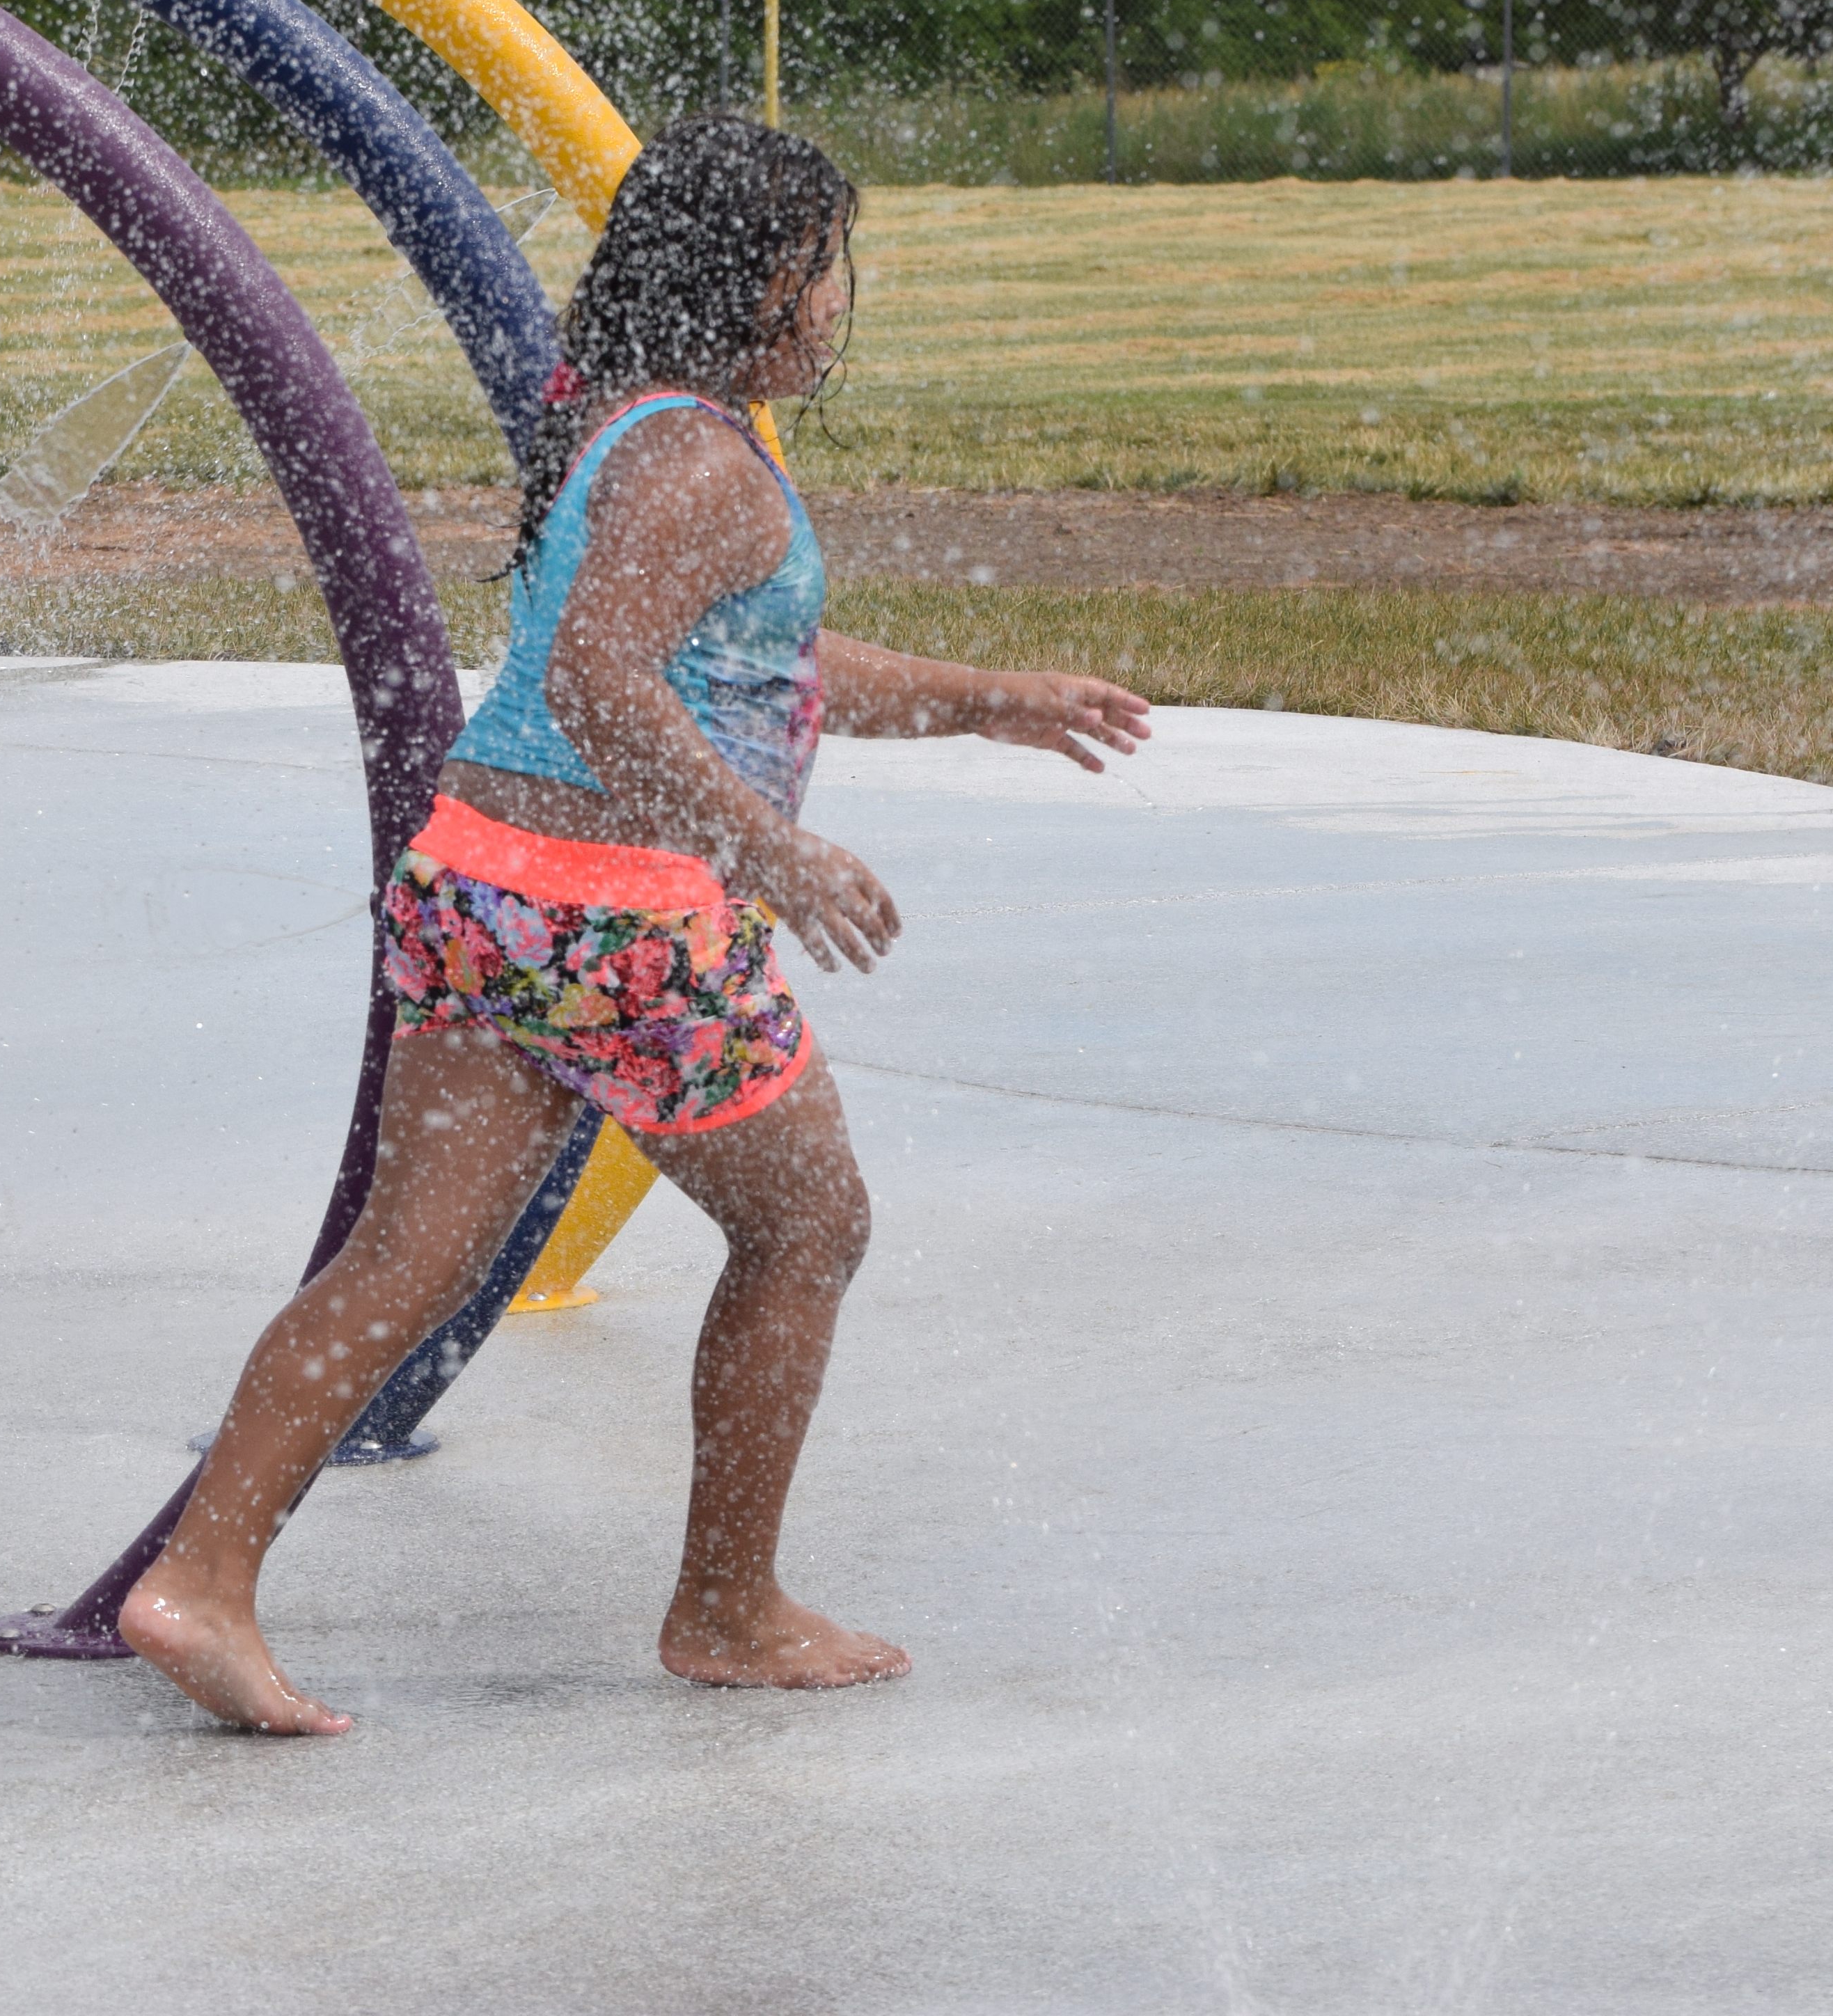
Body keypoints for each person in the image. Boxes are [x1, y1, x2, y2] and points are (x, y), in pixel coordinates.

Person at [120, 114, 1153, 1734]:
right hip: (619, 927)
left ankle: (203, 1579)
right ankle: (729, 1606)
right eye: (822, 264)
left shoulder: (630, 431)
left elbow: (752, 666)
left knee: (402, 1261)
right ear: (759, 284)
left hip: (483, 889)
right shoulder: (706, 466)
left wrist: (989, 698)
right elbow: (607, 683)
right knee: (810, 1227)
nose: (835, 299)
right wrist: (769, 849)